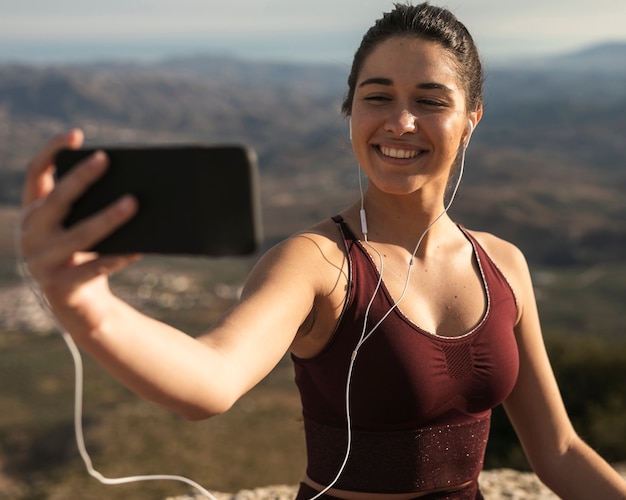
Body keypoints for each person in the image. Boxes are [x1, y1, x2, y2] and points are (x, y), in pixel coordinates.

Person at [19, 3, 626, 499]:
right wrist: (85, 304)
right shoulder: (315, 264)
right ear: (350, 110)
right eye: (378, 96)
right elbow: (208, 383)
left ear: (472, 118)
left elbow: (559, 452)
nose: (401, 122)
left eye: (431, 100)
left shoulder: (505, 264)